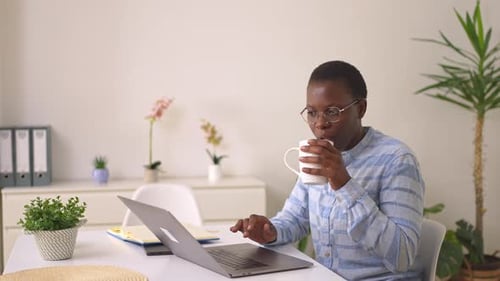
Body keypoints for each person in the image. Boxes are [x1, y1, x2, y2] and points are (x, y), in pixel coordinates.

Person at [230, 60, 425, 280]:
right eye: (312, 113)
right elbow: (295, 219)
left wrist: (343, 183)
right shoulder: (316, 158)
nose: (320, 124)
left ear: (360, 108)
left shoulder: (396, 160)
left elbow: (402, 256)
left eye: (332, 112)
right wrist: (269, 231)